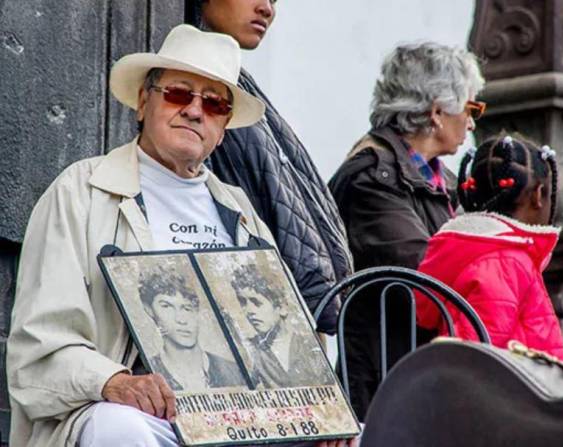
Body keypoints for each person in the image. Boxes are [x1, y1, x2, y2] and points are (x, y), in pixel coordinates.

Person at [7, 23, 355, 447]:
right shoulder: (81, 192)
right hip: (143, 417)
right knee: (118, 429)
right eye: (177, 93)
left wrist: (321, 416)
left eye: (213, 104)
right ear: (142, 102)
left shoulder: (243, 214)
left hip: (242, 423)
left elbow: (291, 342)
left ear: (224, 127)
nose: (194, 110)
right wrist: (114, 381)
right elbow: (38, 346)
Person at [328, 42, 485, 420]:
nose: (473, 122)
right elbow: (427, 273)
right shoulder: (372, 178)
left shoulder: (441, 180)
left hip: (421, 377)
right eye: (471, 108)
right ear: (436, 111)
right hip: (383, 388)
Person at [186, 0, 353, 334]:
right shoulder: (206, 91)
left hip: (286, 319)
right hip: (248, 320)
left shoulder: (241, 85)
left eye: (275, 0)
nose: (266, 8)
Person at [416, 135, 563, 360]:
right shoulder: (505, 261)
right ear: (538, 196)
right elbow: (478, 363)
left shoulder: (479, 250)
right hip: (515, 393)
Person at [231, 264, 335, 388]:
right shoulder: (252, 353)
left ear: (281, 307)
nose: (249, 311)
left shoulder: (308, 346)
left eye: (256, 302)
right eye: (243, 303)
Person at [139, 270, 245, 390]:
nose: (181, 319)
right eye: (166, 306)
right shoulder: (143, 376)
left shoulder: (233, 371)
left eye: (187, 308)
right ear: (149, 310)